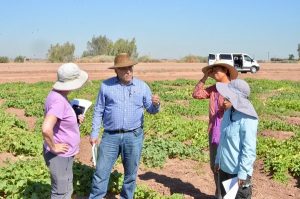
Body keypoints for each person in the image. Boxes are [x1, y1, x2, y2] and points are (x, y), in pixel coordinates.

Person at [89, 53, 160, 199]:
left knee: (131, 174)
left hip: (133, 136)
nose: (127, 71)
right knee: (101, 172)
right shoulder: (106, 86)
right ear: (116, 71)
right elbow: (98, 110)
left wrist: (156, 104)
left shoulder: (142, 86)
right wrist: (94, 133)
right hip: (110, 136)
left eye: (130, 68)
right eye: (123, 69)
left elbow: (151, 110)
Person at [192, 61, 238, 199]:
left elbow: (244, 107)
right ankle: (219, 194)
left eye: (217, 70)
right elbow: (196, 94)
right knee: (215, 165)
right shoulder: (214, 89)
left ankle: (230, 195)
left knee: (230, 165)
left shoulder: (234, 88)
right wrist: (204, 77)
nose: (214, 73)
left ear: (226, 71)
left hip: (230, 131)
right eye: (212, 71)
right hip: (214, 131)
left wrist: (232, 105)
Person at [42, 63, 88, 199]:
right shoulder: (59, 101)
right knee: (61, 193)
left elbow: (60, 122)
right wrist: (54, 147)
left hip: (63, 155)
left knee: (65, 188)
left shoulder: (56, 95)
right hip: (60, 156)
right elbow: (46, 129)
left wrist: (74, 118)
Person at [214, 79, 258, 199]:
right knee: (226, 197)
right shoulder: (229, 112)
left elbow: (248, 150)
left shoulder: (248, 119)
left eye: (228, 96)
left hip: (238, 173)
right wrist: (218, 160)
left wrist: (243, 173)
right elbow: (223, 139)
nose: (224, 99)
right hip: (224, 168)